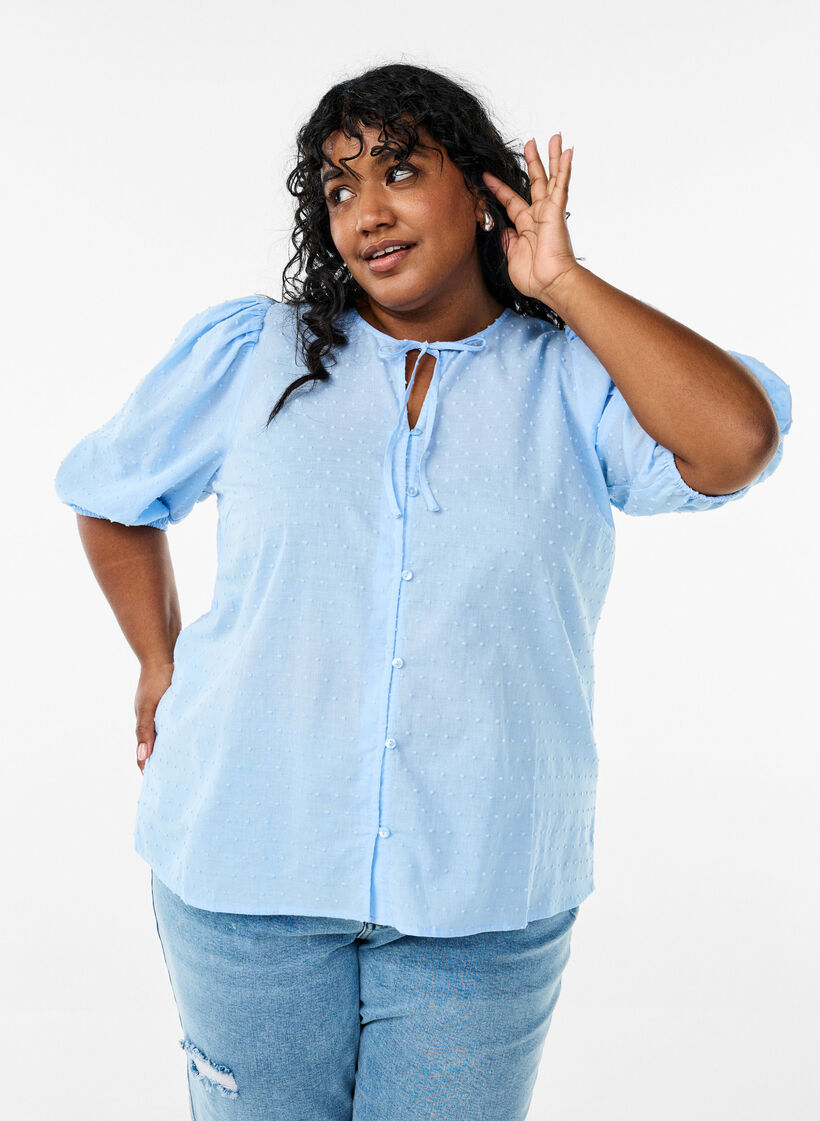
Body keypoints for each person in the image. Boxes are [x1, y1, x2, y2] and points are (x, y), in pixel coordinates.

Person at [54, 62, 792, 1121]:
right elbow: (112, 494)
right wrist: (158, 660)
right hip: (241, 867)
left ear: (484, 189)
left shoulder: (576, 375)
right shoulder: (253, 354)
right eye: (339, 187)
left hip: (483, 887)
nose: (366, 212)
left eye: (400, 170)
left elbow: (735, 443)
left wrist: (568, 287)